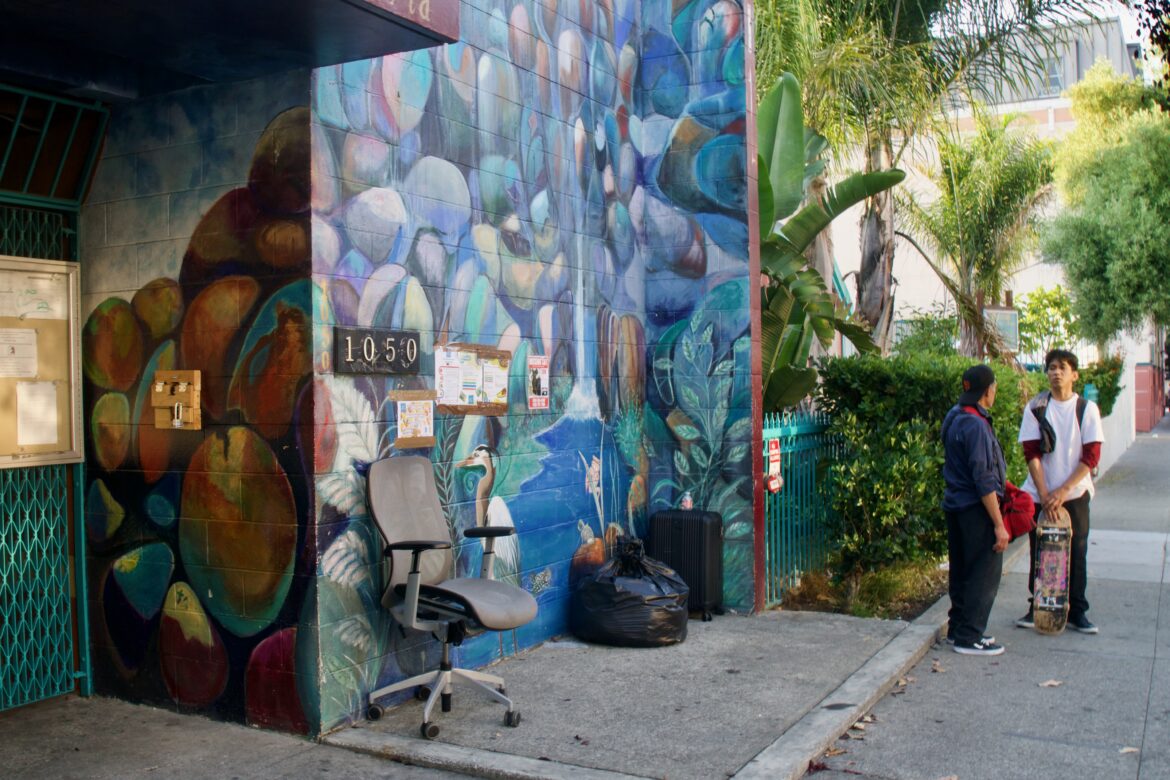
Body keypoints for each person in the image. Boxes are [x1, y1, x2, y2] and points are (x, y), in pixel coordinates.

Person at [1014, 349, 1104, 634]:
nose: (1056, 372)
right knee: (1040, 549)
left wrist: (1062, 491)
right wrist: (1044, 493)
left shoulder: (1086, 409)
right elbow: (1031, 452)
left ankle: (1078, 611)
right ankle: (1037, 607)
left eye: (1062, 367)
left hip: (1075, 492)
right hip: (1041, 492)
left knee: (1077, 549)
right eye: (1051, 367)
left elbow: (1091, 456)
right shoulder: (1036, 407)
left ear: (1074, 374)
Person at [941, 364, 1010, 656]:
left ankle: (957, 629)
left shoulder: (953, 417)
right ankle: (970, 637)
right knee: (984, 572)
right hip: (975, 508)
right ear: (989, 390)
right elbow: (983, 478)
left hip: (955, 505)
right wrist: (998, 523)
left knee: (962, 570)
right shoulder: (977, 425)